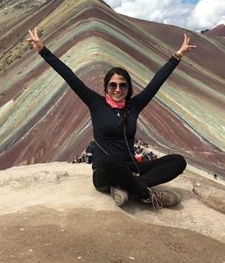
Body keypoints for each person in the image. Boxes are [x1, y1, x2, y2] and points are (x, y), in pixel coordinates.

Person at [27, 27, 196, 210]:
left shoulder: (134, 106)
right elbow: (69, 76)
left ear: (128, 88)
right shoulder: (95, 103)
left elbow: (156, 82)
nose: (118, 89)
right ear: (106, 87)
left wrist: (178, 55)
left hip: (130, 168)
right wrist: (43, 50)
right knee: (111, 159)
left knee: (178, 161)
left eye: (123, 86)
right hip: (104, 172)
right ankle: (147, 195)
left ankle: (127, 187)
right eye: (113, 85)